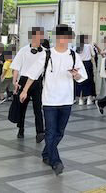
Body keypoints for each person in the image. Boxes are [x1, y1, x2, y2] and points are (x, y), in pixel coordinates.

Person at [19, 25, 86, 176]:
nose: (62, 40)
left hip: (67, 100)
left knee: (59, 132)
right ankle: (56, 162)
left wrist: (76, 76)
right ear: (56, 38)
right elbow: (33, 74)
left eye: (65, 37)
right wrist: (24, 90)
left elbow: (83, 77)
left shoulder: (74, 56)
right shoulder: (46, 55)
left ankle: (46, 154)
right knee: (50, 132)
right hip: (49, 101)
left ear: (69, 38)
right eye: (60, 37)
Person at [11, 28, 47, 141]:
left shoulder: (46, 51)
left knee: (38, 108)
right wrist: (15, 82)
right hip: (24, 80)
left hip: (37, 82)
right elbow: (16, 67)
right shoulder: (23, 50)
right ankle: (21, 128)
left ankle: (40, 132)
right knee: (22, 107)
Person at [74, 34, 97, 106]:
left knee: (80, 81)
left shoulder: (75, 47)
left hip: (79, 65)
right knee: (89, 81)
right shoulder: (89, 46)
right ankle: (89, 99)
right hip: (88, 64)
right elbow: (93, 54)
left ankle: (81, 99)